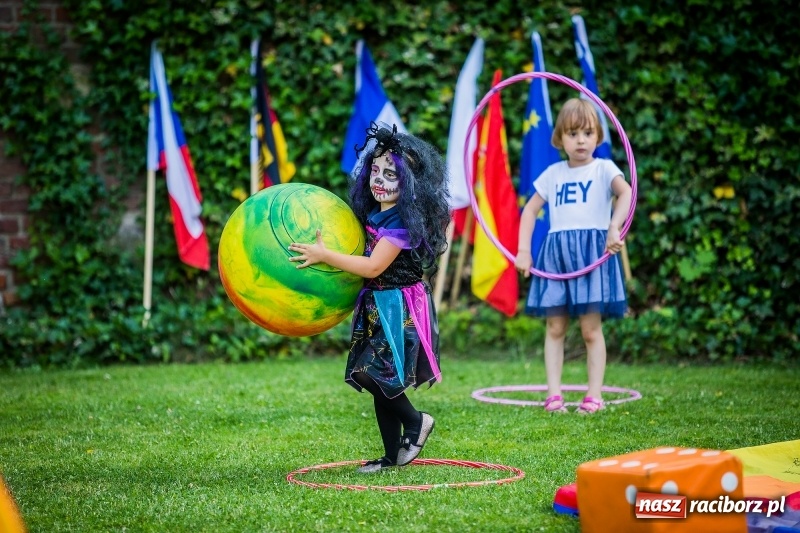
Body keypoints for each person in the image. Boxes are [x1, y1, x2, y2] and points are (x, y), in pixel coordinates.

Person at [288, 123, 451, 472]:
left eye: (390, 174)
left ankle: (417, 420)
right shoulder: (374, 213)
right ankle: (391, 457)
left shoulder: (401, 224)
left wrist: (323, 255)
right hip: (376, 305)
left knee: (371, 374)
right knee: (381, 382)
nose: (379, 179)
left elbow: (374, 266)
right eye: (374, 170)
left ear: (408, 184)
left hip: (398, 309)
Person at [514, 98, 632, 415]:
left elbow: (626, 193)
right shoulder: (553, 174)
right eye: (572, 133)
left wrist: (614, 227)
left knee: (590, 330)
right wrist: (524, 250)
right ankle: (554, 395)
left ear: (598, 137)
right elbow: (529, 211)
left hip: (591, 253)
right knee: (555, 328)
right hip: (557, 256)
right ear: (559, 139)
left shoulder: (604, 168)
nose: (581, 140)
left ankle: (594, 396)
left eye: (587, 133)